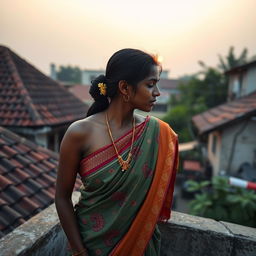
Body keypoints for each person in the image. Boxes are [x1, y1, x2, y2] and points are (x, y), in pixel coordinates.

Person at [55, 48, 179, 256]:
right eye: (150, 85)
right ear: (124, 87)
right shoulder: (80, 133)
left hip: (139, 246)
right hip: (90, 245)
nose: (157, 93)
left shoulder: (159, 133)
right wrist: (79, 251)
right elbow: (62, 198)